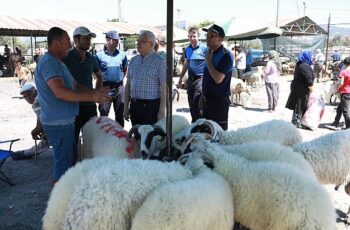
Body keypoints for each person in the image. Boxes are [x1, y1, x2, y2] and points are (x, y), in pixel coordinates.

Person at [35, 26, 110, 183]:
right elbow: (60, 92)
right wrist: (91, 96)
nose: (69, 45)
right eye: (66, 42)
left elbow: (75, 85)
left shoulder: (58, 62)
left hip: (66, 120)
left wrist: (95, 94)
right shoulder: (49, 62)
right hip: (59, 123)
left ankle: (67, 192)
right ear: (56, 43)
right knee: (63, 166)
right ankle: (60, 201)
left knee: (68, 161)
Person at [62, 26, 103, 164]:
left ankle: (90, 168)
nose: (88, 41)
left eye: (89, 39)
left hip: (89, 107)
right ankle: (72, 169)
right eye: (85, 38)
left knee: (92, 140)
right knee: (71, 142)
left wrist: (97, 93)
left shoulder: (92, 59)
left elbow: (99, 76)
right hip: (71, 107)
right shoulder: (66, 57)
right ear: (76, 40)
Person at [123, 30, 166, 126]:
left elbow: (164, 89)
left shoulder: (160, 62)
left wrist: (162, 111)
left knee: (150, 139)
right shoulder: (133, 61)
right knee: (136, 137)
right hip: (135, 107)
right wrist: (126, 108)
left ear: (151, 44)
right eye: (138, 41)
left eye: (142, 41)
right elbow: (128, 86)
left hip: (151, 108)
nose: (138, 43)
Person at [202, 24, 233, 130]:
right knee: (206, 132)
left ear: (220, 39)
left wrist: (208, 62)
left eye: (211, 36)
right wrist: (203, 95)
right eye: (207, 36)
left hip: (219, 102)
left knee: (219, 135)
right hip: (207, 100)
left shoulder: (226, 56)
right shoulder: (209, 53)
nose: (207, 38)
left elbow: (218, 79)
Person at [96, 30, 128, 127]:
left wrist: (119, 79)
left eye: (118, 40)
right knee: (104, 115)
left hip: (119, 88)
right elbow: (95, 73)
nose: (117, 42)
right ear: (108, 40)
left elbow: (125, 69)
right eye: (115, 40)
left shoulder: (122, 55)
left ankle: (119, 138)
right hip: (105, 88)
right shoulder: (99, 55)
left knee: (120, 115)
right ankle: (104, 137)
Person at [11, 83, 50, 160]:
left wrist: (34, 131)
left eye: (29, 94)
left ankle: (26, 153)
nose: (27, 98)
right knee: (44, 137)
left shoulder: (37, 102)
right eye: (25, 97)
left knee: (45, 138)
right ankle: (27, 153)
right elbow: (40, 119)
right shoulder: (42, 96)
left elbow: (41, 124)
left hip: (59, 126)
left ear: (34, 91)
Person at [177, 27, 207, 123]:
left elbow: (209, 63)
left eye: (194, 36)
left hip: (201, 79)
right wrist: (180, 78)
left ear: (198, 36)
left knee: (197, 101)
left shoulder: (204, 48)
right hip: (191, 80)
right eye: (190, 36)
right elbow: (186, 64)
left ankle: (201, 124)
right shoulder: (187, 49)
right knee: (191, 103)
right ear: (188, 37)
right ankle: (194, 123)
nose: (192, 38)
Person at [285, 50, 314, 128]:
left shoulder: (300, 63)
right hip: (301, 88)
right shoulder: (304, 66)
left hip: (298, 87)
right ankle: (297, 122)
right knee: (300, 104)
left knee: (299, 104)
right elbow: (308, 78)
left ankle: (297, 121)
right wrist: (311, 88)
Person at [335, 56, 350, 129]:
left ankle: (348, 126)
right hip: (349, 92)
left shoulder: (343, 72)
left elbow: (341, 83)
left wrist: (338, 89)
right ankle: (336, 121)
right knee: (340, 107)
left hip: (344, 92)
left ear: (344, 63)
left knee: (345, 110)